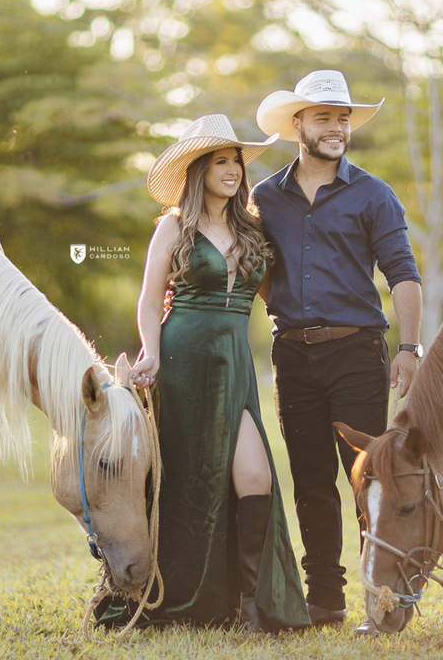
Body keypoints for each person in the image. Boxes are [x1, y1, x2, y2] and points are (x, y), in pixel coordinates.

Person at [123, 114, 311, 632]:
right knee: (187, 480)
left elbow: (275, 294)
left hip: (234, 361)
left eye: (236, 163)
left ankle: (249, 605)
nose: (232, 171)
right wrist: (151, 352)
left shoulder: (253, 228)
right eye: (221, 162)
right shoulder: (172, 227)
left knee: (255, 476)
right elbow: (149, 300)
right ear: (198, 170)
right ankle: (185, 596)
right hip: (181, 358)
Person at [251, 70, 423, 635]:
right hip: (292, 356)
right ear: (297, 123)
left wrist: (409, 347)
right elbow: (259, 271)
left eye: (343, 118)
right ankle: (324, 599)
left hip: (356, 353)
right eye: (323, 117)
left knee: (370, 482)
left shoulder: (374, 194)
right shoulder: (264, 197)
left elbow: (403, 273)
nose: (336, 128)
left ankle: (383, 599)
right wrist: (285, 308)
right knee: (310, 480)